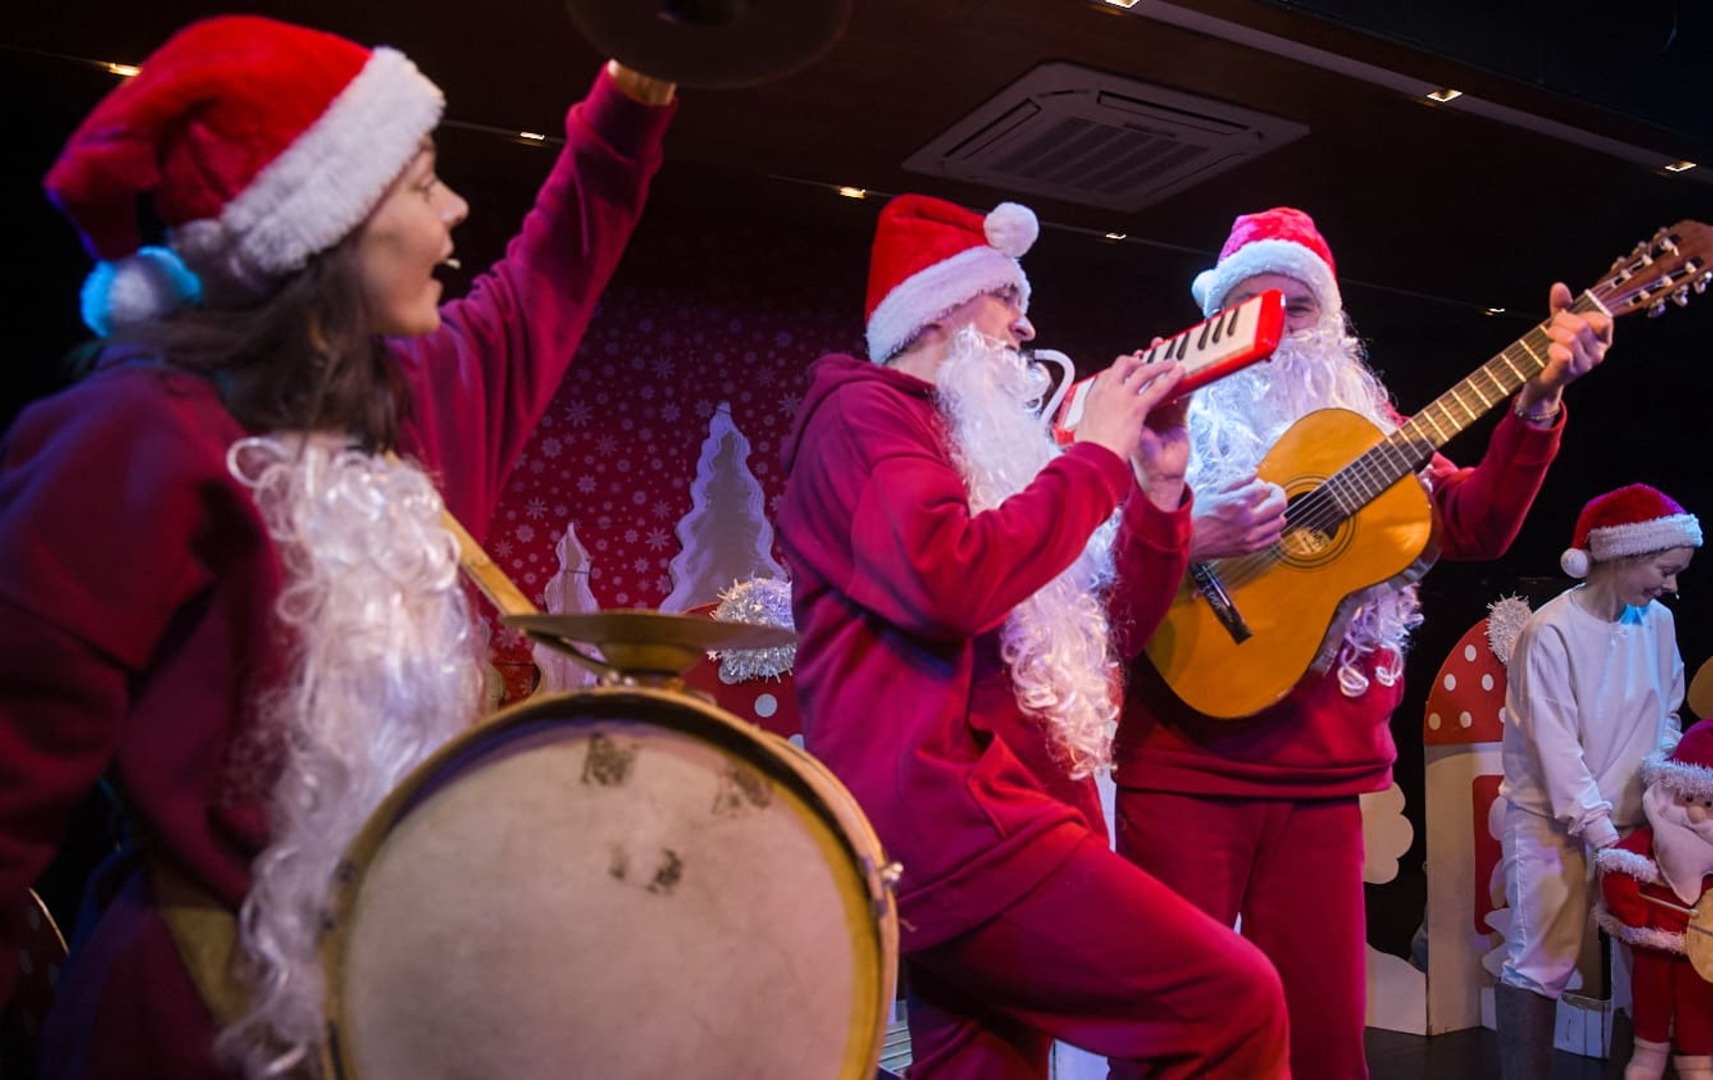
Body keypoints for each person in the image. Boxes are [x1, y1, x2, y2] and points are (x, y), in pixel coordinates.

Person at [0, 15, 676, 1078]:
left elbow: (556, 265)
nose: (454, 211)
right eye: (421, 185)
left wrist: (648, 75)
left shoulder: (416, 399)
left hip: (385, 1011)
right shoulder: (133, 437)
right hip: (183, 1022)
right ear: (322, 226)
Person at [777, 193, 1288, 1078]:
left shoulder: (975, 441)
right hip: (955, 823)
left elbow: (1115, 630)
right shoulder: (865, 416)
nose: (1027, 325)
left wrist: (1158, 491)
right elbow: (948, 581)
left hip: (1008, 807)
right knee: (1232, 1002)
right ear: (940, 308)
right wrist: (1094, 457)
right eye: (1006, 298)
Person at [1110, 206, 1614, 1079]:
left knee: (1326, 1036)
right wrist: (1189, 532)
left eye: (1297, 306)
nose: (1275, 327)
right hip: (1184, 760)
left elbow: (1474, 523)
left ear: (1333, 322)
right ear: (1215, 322)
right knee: (1175, 1036)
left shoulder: (1370, 427)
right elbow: (1098, 572)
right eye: (1250, 308)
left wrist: (1538, 406)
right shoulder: (1161, 422)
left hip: (1321, 775)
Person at [1494, 481, 1704, 1079]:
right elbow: (1556, 747)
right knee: (1543, 960)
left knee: (1643, 956)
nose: (1672, 586)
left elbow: (1667, 712)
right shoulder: (1551, 632)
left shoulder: (1658, 623)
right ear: (1623, 555)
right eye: (1665, 570)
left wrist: (1660, 796)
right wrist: (1600, 833)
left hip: (1634, 825)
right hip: (1553, 825)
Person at [1597, 718, 1713, 1080]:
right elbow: (1618, 867)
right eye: (1687, 799)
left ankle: (1697, 1063)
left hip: (1704, 945)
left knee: (1698, 1000)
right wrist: (1633, 910)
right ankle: (1648, 1056)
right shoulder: (1653, 839)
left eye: (1708, 803)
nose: (1694, 811)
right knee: (1650, 993)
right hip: (1654, 933)